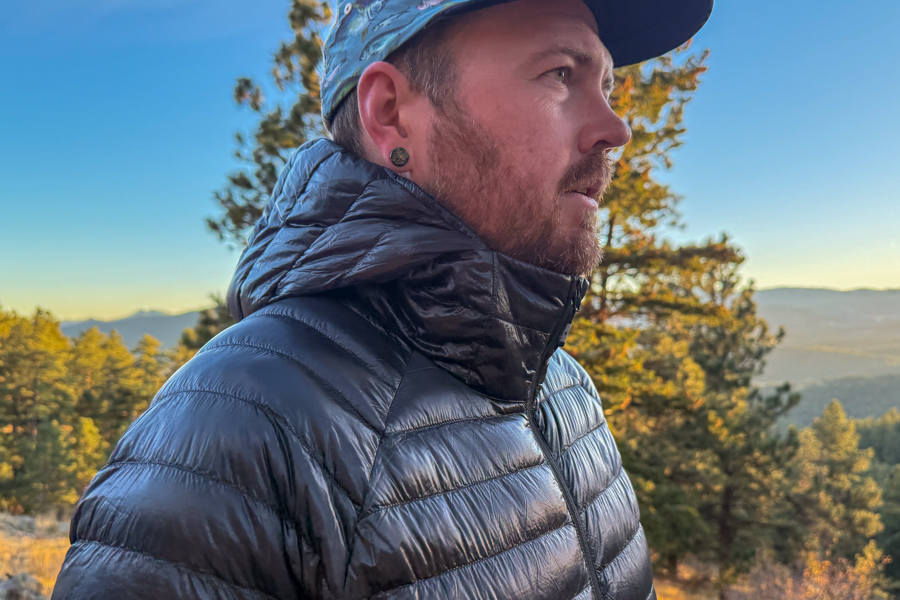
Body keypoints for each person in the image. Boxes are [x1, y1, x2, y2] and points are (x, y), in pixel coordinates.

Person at [53, 0, 713, 598]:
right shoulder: (242, 430)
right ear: (390, 113)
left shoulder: (565, 388)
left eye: (607, 85)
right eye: (560, 75)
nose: (615, 127)